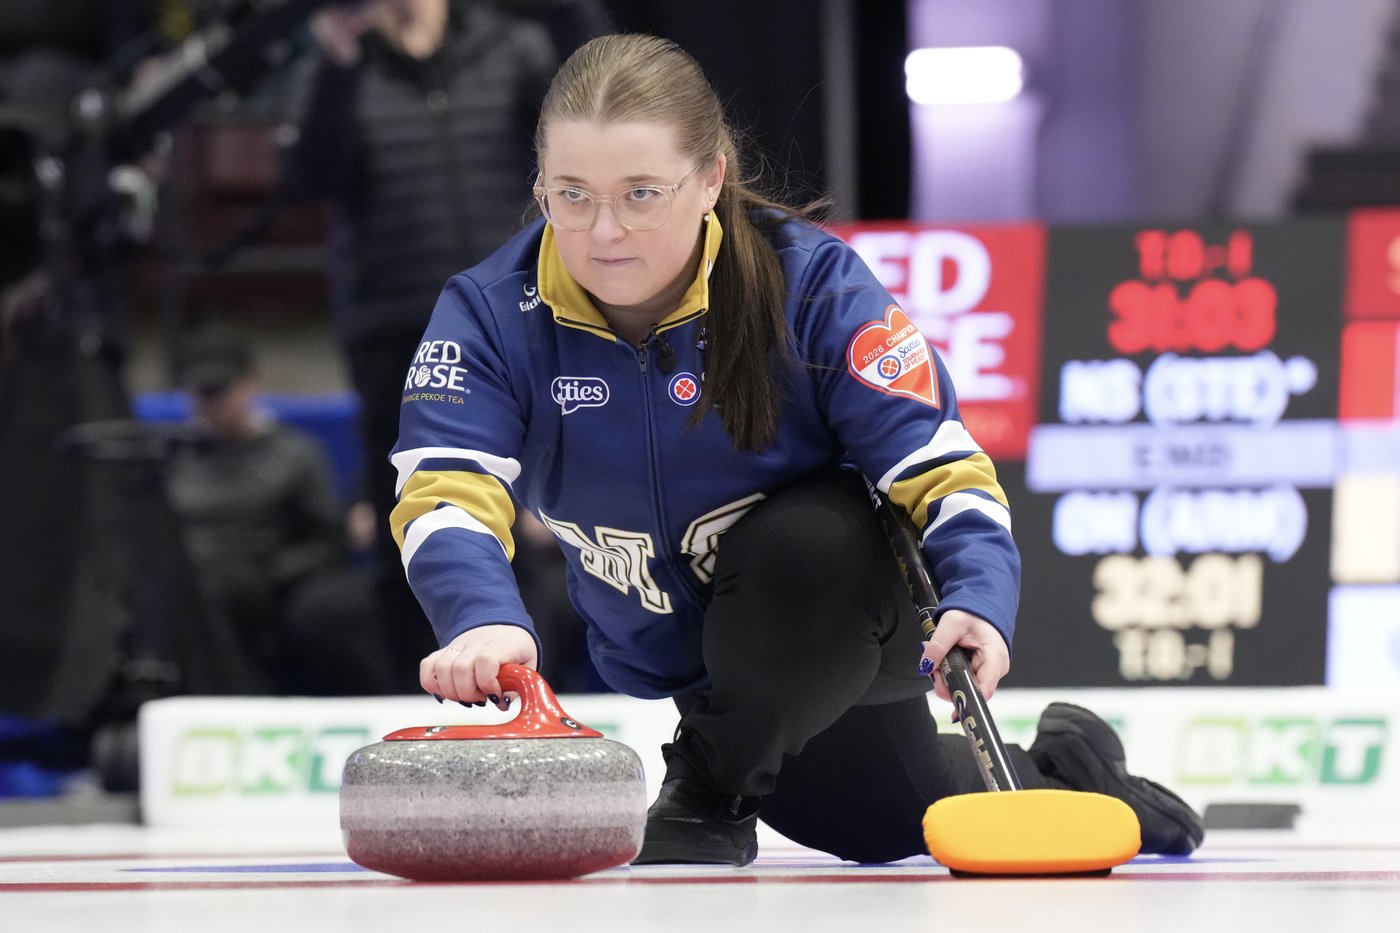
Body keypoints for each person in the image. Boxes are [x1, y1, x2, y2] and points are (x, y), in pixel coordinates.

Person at [389, 33, 1205, 866]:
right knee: (876, 823)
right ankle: (1071, 774)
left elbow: (940, 467)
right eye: (573, 194)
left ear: (710, 178)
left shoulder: (812, 285)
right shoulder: (491, 312)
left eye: (641, 193)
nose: (604, 230)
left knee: (807, 543)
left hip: (844, 604)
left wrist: (980, 597)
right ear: (540, 187)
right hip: (709, 661)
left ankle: (708, 788)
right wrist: (483, 618)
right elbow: (443, 487)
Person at [279, 0, 608, 691]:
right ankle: (424, 691)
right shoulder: (339, 64)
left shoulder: (510, 46)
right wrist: (338, 64)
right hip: (392, 326)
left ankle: (537, 687)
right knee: (414, 519)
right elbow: (311, 175)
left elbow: (594, 115)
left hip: (516, 313)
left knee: (540, 519)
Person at [166, 324, 394, 696]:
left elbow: (327, 541)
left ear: (251, 384)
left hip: (273, 579)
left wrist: (266, 572)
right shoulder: (170, 457)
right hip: (191, 577)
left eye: (220, 390)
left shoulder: (295, 453)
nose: (211, 403)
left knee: (327, 608)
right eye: (201, 393)